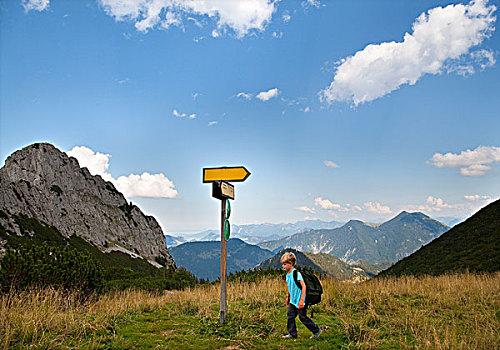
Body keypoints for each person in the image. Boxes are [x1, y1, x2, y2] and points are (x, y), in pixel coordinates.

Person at [280, 252, 322, 339]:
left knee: (303, 317)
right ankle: (292, 334)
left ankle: (316, 330)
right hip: (293, 301)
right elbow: (289, 286)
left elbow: (304, 286)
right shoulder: (287, 275)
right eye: (283, 264)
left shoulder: (296, 274)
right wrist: (288, 297)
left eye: (284, 264)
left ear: (291, 264)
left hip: (300, 301)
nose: (283, 266)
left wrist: (302, 300)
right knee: (290, 316)